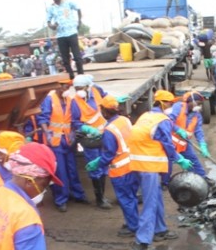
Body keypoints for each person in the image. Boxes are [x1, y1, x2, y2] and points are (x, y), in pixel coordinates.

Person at [129, 90, 193, 250]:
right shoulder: (162, 120)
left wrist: (178, 130)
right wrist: (179, 159)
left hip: (138, 162)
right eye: (171, 104)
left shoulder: (147, 115)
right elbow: (167, 144)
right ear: (163, 104)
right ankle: (142, 243)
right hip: (148, 166)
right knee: (150, 203)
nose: (172, 107)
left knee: (156, 196)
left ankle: (160, 230)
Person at [86, 95, 140, 237]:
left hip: (121, 171)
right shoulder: (125, 120)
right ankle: (133, 220)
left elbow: (109, 154)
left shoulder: (110, 130)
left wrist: (97, 164)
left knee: (125, 199)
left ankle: (133, 226)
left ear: (104, 111)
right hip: (133, 165)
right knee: (132, 196)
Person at [36, 79, 89, 212]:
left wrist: (75, 133)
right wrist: (46, 131)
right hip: (55, 142)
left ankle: (77, 194)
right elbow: (42, 118)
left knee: (72, 169)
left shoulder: (71, 101)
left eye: (66, 88)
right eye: (62, 88)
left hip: (68, 141)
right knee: (60, 171)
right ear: (57, 87)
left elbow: (75, 120)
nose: (63, 91)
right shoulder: (49, 100)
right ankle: (61, 199)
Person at [72, 74, 112, 209]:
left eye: (81, 87)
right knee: (95, 167)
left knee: (104, 163)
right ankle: (99, 199)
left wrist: (114, 101)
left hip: (103, 133)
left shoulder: (96, 90)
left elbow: (105, 99)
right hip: (89, 138)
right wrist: (86, 128)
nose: (79, 90)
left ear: (88, 86)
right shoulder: (75, 101)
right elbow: (75, 122)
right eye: (76, 88)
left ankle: (103, 196)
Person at [167, 91, 210, 183]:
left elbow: (198, 131)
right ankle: (165, 182)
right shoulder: (178, 107)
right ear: (191, 102)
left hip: (184, 143)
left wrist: (203, 145)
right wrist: (177, 129)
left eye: (200, 104)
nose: (198, 106)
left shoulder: (197, 115)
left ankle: (203, 179)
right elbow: (168, 121)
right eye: (197, 104)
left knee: (193, 160)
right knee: (167, 164)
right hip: (169, 142)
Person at [46, 0, 84, 79]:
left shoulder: (68, 2)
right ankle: (71, 76)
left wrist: (79, 21)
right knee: (65, 59)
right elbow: (48, 21)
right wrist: (52, 26)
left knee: (77, 57)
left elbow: (78, 9)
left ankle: (81, 75)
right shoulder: (51, 8)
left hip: (72, 33)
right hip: (61, 36)